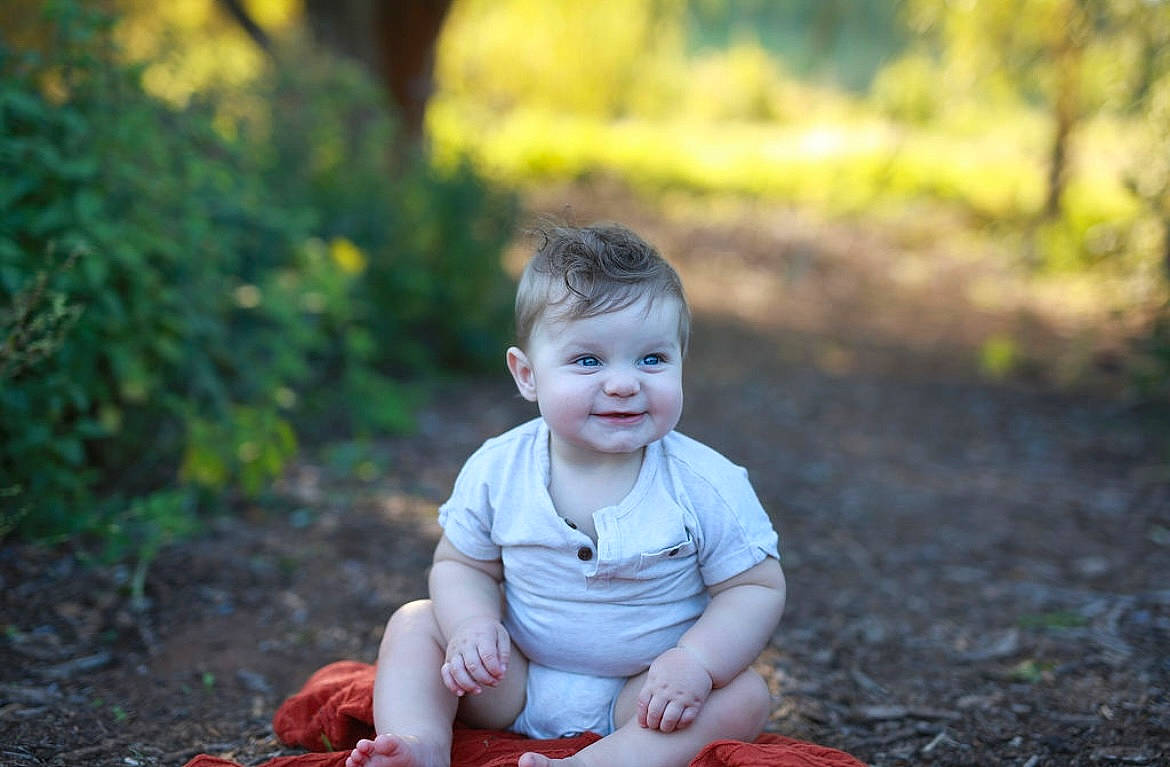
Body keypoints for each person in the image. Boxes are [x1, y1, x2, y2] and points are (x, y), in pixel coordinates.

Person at [346, 223, 786, 767]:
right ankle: (419, 744)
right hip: (512, 680)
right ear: (528, 376)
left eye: (652, 359)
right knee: (415, 623)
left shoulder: (704, 483)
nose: (624, 383)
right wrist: (470, 627)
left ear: (680, 362)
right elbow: (462, 564)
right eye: (588, 361)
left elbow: (755, 587)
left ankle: (599, 763)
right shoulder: (498, 468)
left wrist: (695, 662)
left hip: (648, 696)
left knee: (745, 695)